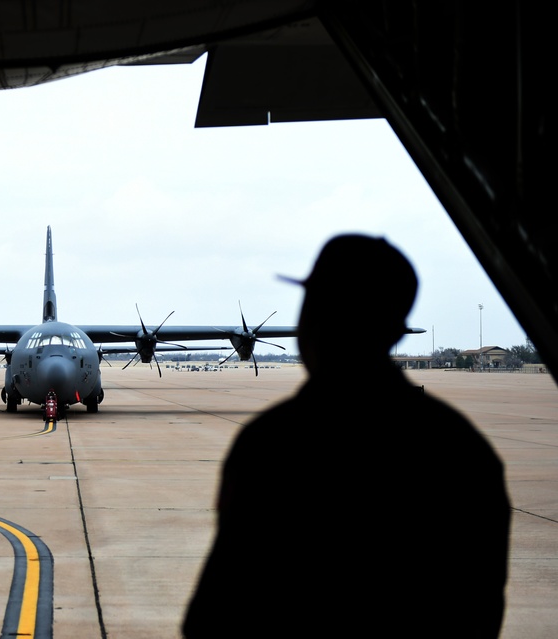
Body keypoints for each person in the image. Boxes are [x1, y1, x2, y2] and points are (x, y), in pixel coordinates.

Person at [184, 235, 510, 638]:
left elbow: (213, 615)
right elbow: (481, 609)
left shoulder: (272, 444)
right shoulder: (463, 449)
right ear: (396, 328)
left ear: (313, 321)